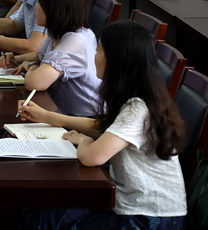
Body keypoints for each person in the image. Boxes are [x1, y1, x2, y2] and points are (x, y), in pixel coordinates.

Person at [18, 20, 187, 229]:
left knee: (46, 219)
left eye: (98, 51)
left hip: (150, 216)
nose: (94, 57)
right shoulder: (140, 97)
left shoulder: (138, 108)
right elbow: (103, 126)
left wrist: (83, 140)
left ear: (116, 60)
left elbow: (91, 157)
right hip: (134, 204)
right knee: (46, 210)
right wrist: (47, 117)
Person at [0, 0, 100, 117]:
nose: (36, 7)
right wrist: (15, 59)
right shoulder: (58, 34)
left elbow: (34, 83)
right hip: (64, 111)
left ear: (55, 8)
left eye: (40, 2)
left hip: (85, 119)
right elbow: (39, 55)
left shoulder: (76, 41)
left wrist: (32, 66)